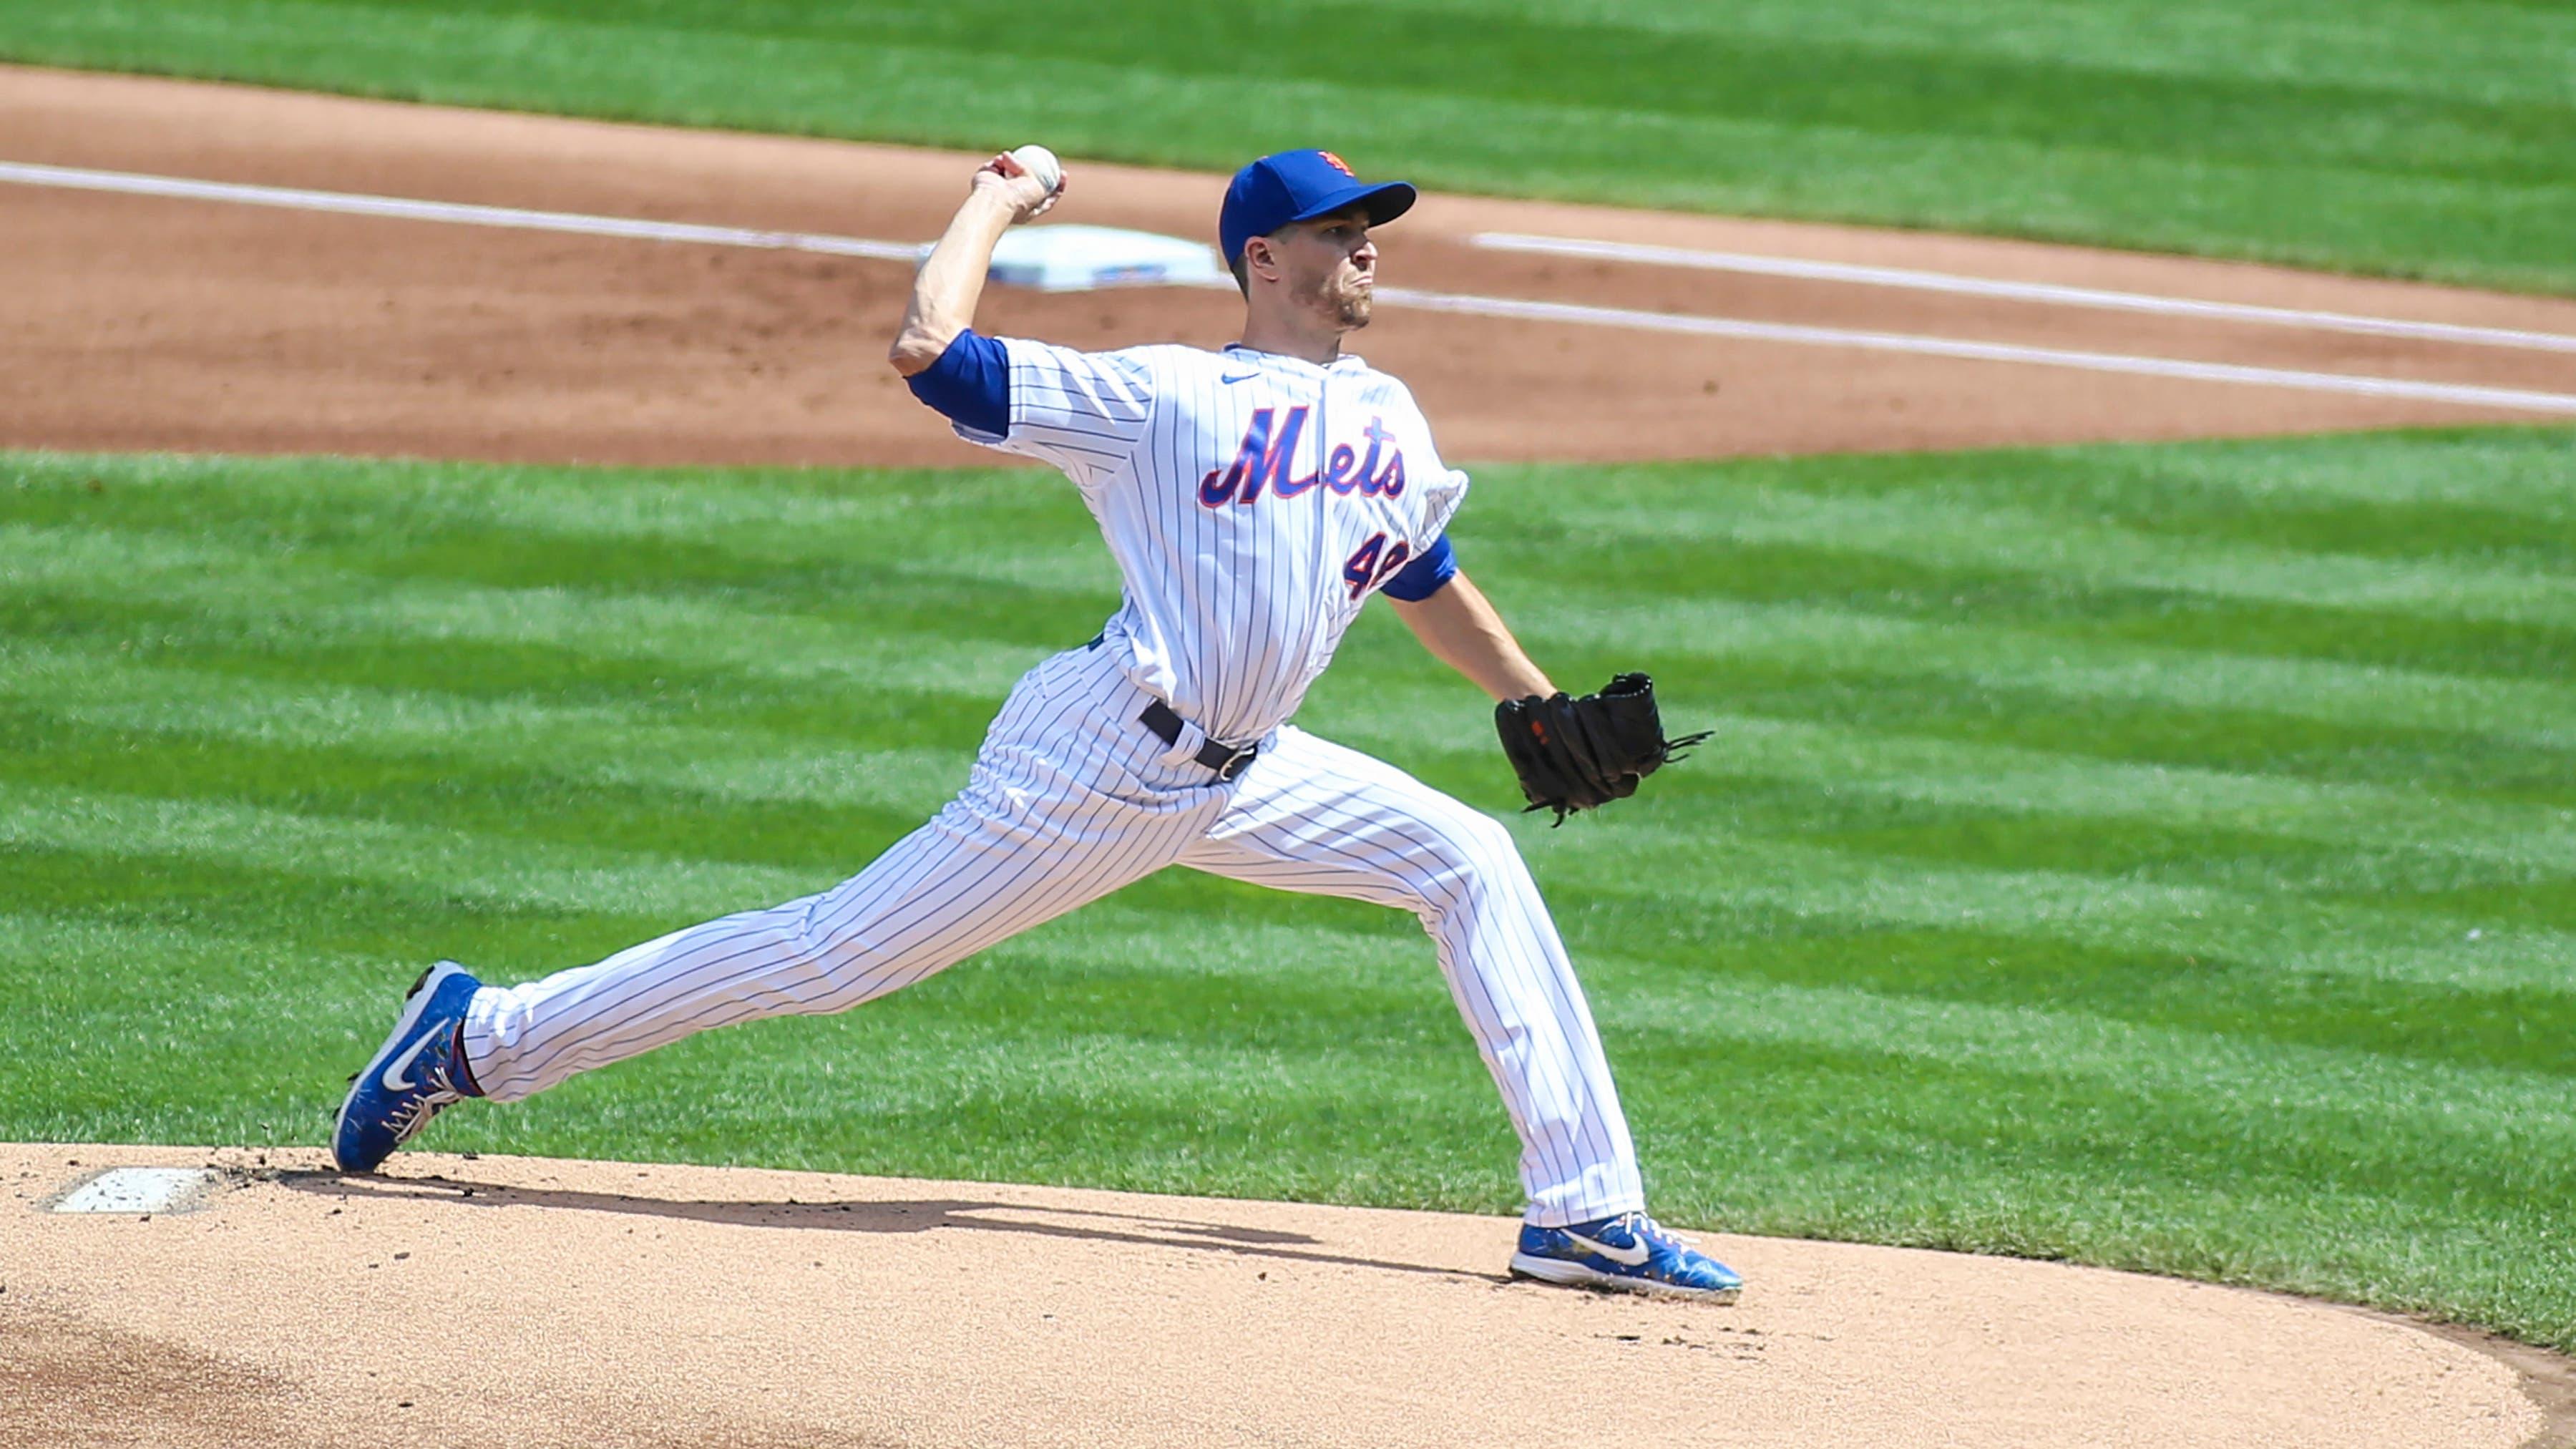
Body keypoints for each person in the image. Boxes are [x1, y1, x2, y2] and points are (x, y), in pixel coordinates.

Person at [333, 147, 1741, 1302]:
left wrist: (1529, 698)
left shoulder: (1388, 415)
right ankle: (475, 1035)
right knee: (833, 954)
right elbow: (930, 353)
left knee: (1469, 859)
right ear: (1264, 260)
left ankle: (1584, 1213)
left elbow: (1425, 577)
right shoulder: (1161, 396)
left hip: (1248, 771)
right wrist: (996, 200)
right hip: (1096, 762)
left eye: (1372, 223)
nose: (1367, 243)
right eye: (1336, 227)